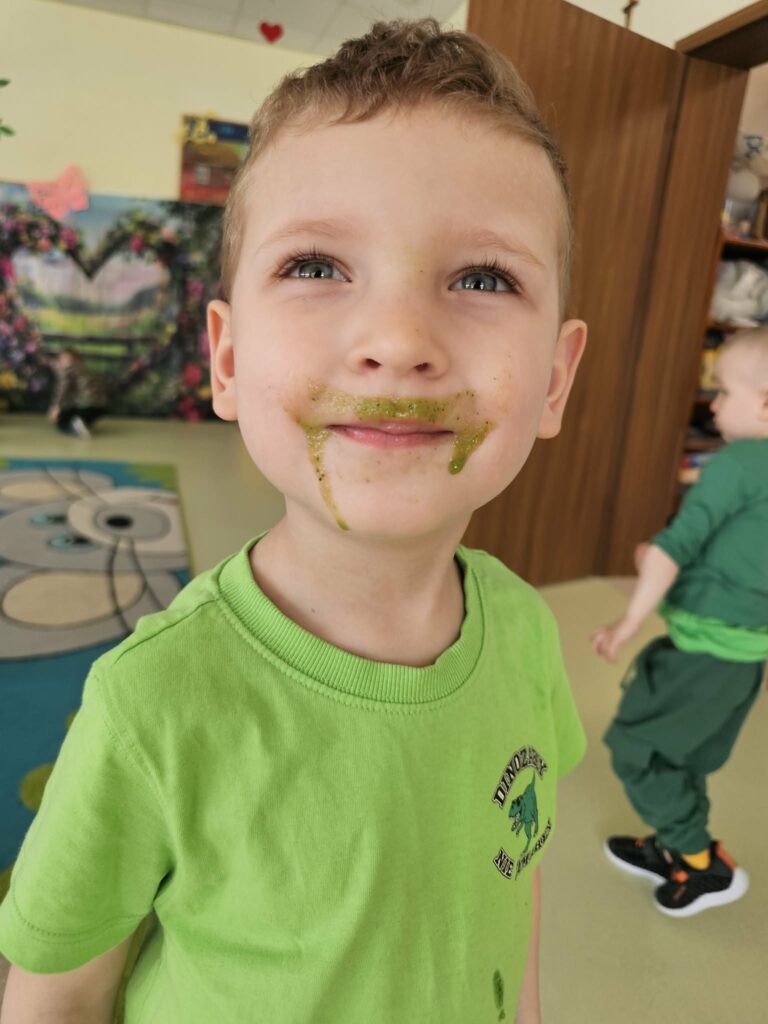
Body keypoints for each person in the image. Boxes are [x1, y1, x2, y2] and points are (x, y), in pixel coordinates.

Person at [0, 19, 588, 1024]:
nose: (398, 340)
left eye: (483, 278)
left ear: (556, 381)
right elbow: (55, 1001)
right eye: (317, 265)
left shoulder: (530, 634)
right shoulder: (151, 706)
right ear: (226, 360)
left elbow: (512, 887)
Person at [592, 328, 768, 918]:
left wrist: (628, 621)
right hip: (741, 661)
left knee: (637, 750)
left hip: (703, 655)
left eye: (724, 392)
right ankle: (674, 844)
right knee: (684, 757)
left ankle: (699, 860)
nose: (713, 407)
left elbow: (677, 545)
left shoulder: (740, 462)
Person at [47, 347, 108, 438]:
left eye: (61, 360)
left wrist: (57, 407)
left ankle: (74, 427)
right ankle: (82, 424)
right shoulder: (86, 370)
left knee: (61, 421)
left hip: (85, 404)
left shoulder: (68, 370)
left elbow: (63, 389)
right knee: (83, 415)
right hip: (101, 406)